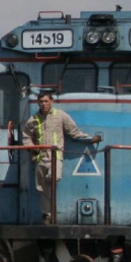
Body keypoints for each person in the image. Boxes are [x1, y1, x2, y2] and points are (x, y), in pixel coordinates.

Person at [22, 91, 102, 224]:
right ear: (38, 103)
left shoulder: (61, 116)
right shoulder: (34, 119)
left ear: (51, 102)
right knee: (41, 188)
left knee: (54, 178)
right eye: (41, 102)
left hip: (55, 156)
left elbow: (74, 132)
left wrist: (90, 139)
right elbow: (26, 135)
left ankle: (49, 213)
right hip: (40, 157)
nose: (44, 104)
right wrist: (31, 148)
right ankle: (47, 215)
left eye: (46, 101)